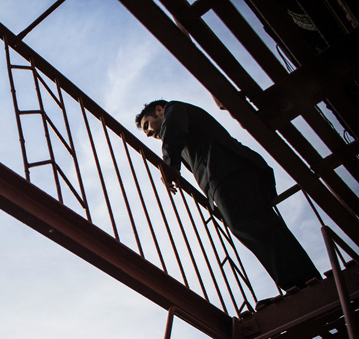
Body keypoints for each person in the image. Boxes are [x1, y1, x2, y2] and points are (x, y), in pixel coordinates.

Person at [135, 99, 320, 292]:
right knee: (263, 227)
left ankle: (299, 283)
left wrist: (169, 165)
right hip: (230, 172)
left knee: (252, 227)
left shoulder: (174, 109)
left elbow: (173, 128)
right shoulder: (180, 131)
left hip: (225, 171)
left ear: (159, 110)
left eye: (147, 125)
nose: (147, 133)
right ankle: (306, 279)